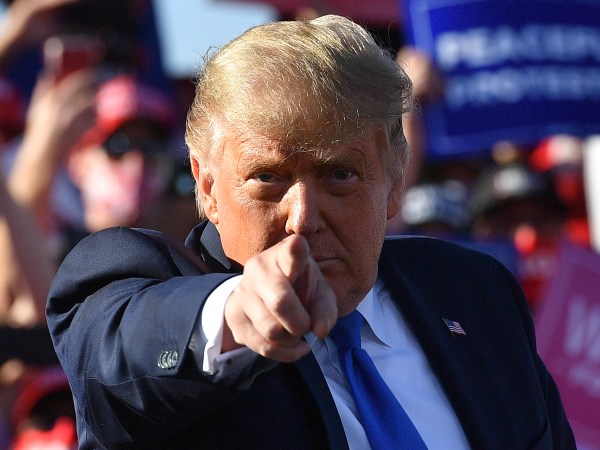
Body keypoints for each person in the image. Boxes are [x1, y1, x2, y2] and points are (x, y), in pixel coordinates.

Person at [46, 15, 575, 449]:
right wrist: (237, 314)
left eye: (339, 174)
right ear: (207, 186)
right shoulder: (134, 281)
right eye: (268, 178)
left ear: (395, 181)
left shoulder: (476, 292)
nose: (302, 217)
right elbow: (126, 348)